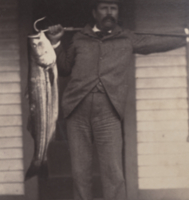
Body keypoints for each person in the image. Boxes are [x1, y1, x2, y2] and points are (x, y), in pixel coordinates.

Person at [47, 0, 187, 199]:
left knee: (113, 173)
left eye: (113, 8)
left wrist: (185, 36)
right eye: (104, 8)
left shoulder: (127, 38)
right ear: (95, 12)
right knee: (80, 173)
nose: (109, 13)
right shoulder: (79, 38)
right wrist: (55, 42)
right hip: (76, 112)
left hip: (108, 112)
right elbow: (63, 68)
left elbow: (155, 41)